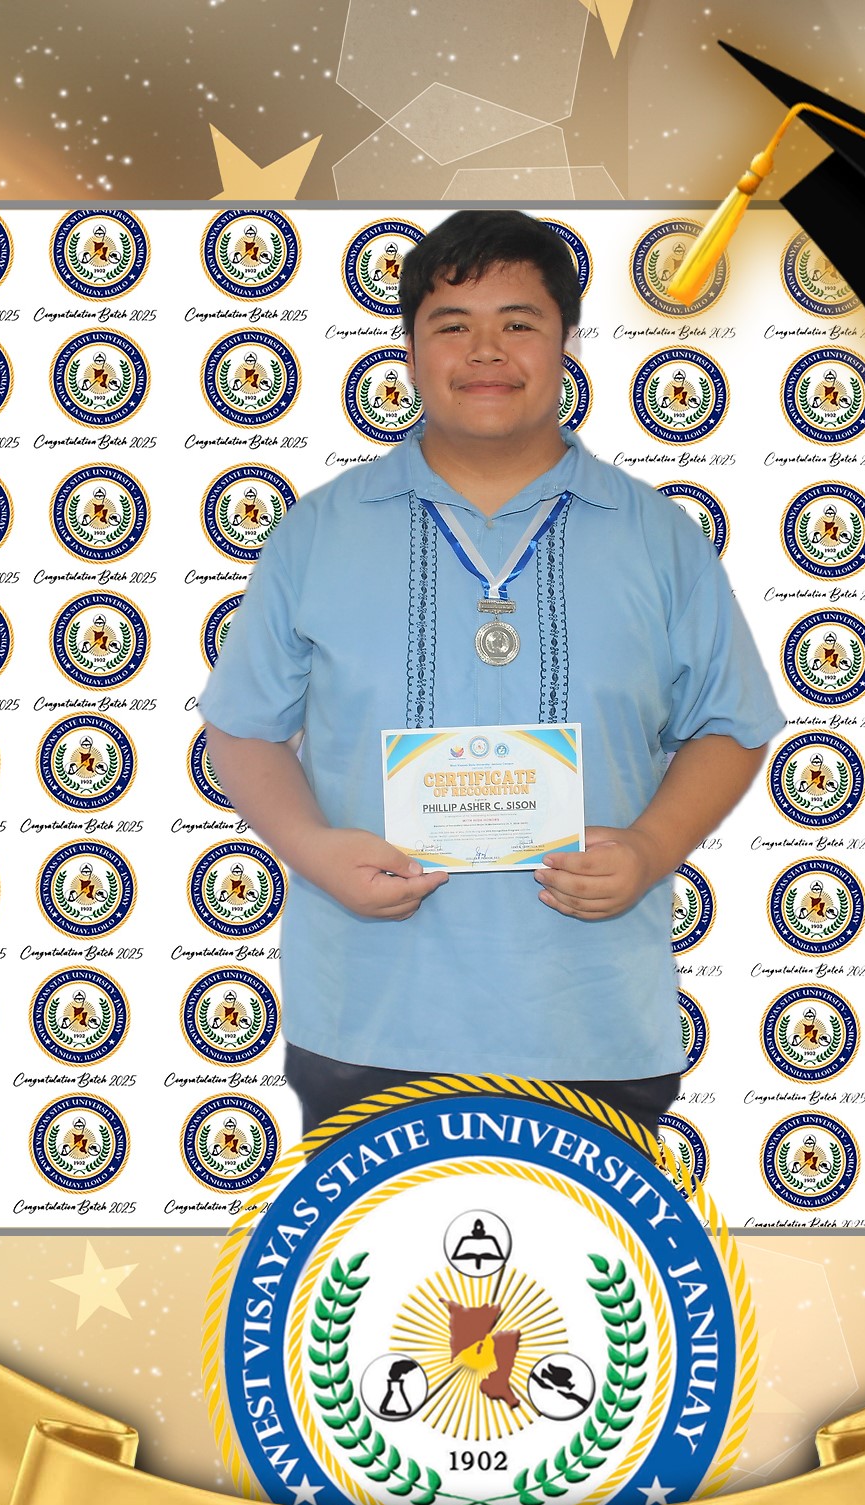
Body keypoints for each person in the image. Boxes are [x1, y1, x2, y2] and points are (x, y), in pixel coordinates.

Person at [199, 210, 785, 1137]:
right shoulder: (318, 531)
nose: (486, 352)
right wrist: (311, 850)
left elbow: (730, 724)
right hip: (368, 1015)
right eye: (452, 325)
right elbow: (242, 727)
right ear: (407, 351)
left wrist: (649, 850)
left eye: (519, 323)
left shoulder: (657, 536)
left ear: (567, 344)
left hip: (592, 1024)